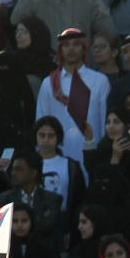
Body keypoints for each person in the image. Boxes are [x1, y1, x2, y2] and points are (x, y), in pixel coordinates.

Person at [34, 28, 110, 165]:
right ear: (60, 50)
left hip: (90, 152)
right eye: (66, 45)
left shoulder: (99, 81)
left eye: (76, 44)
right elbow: (41, 119)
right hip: (57, 154)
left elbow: (104, 120)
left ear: (83, 49)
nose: (71, 49)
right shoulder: (48, 83)